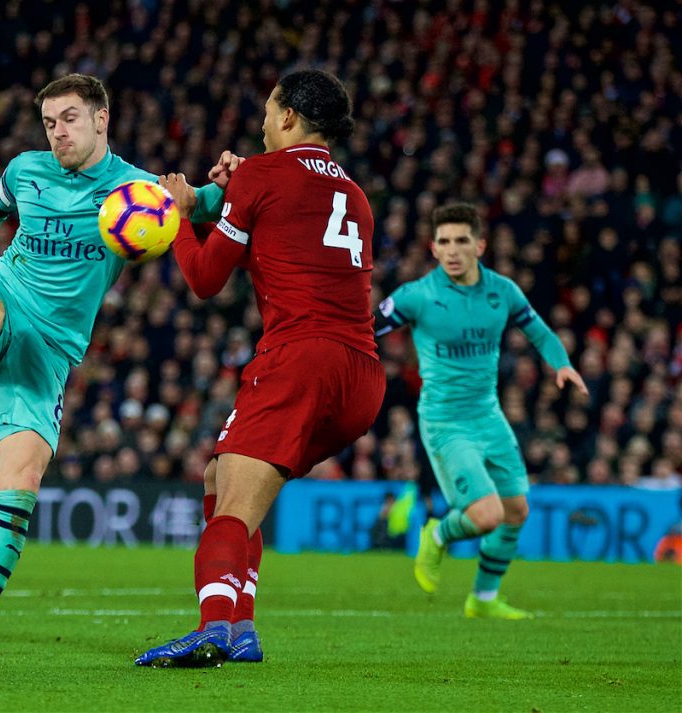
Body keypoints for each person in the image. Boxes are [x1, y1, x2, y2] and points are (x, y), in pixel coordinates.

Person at [0, 73, 237, 657]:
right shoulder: (24, 171)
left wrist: (231, 182)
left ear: (101, 118)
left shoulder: (134, 191)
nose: (58, 133)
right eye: (50, 123)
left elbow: (205, 207)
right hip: (7, 294)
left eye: (69, 119)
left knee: (22, 484)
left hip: (51, 351)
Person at [135, 69, 385, 667]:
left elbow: (203, 278)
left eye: (269, 113)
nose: (263, 125)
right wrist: (216, 207)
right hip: (361, 377)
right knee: (220, 478)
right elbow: (271, 237)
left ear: (291, 118)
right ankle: (241, 629)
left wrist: (176, 215)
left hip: (300, 358)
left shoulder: (261, 174)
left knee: (232, 510)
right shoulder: (354, 193)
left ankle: (212, 630)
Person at [374, 202, 589, 619]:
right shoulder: (417, 296)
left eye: (461, 241)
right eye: (443, 242)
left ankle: (483, 598)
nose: (452, 250)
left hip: (489, 417)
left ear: (480, 245)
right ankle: (437, 534)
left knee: (516, 511)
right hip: (445, 422)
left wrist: (561, 363)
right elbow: (365, 330)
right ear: (433, 249)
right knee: (487, 515)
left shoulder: (502, 291)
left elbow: (540, 333)